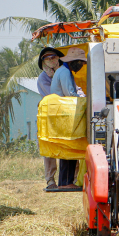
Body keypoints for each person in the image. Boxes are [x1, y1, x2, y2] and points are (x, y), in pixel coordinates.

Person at [51, 47, 87, 189]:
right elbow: (70, 94)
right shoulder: (65, 72)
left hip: (64, 112)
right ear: (74, 61)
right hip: (65, 112)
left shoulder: (64, 71)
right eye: (80, 63)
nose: (81, 66)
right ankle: (66, 182)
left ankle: (65, 181)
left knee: (68, 148)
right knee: (69, 148)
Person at [37, 47, 64, 191]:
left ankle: (72, 177)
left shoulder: (64, 72)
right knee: (49, 148)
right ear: (43, 62)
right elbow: (53, 95)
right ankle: (50, 179)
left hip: (65, 113)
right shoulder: (43, 78)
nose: (51, 60)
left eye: (53, 57)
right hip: (49, 115)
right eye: (48, 58)